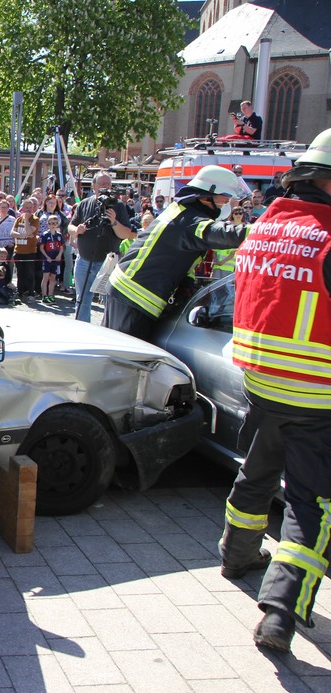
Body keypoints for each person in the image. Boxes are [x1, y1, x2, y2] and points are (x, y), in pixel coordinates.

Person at [226, 128, 331, 653]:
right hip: (317, 394)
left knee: (257, 473)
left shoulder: (268, 223)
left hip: (261, 380)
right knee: (312, 503)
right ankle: (280, 612)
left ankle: (236, 555)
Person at [106, 166, 250, 341]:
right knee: (128, 357)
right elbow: (224, 234)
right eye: (224, 198)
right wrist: (268, 230)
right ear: (206, 195)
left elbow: (182, 255)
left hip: (134, 290)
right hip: (135, 293)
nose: (227, 203)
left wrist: (187, 282)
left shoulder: (185, 213)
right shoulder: (189, 220)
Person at [68, 173, 135, 322]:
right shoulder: (84, 204)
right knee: (82, 300)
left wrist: (114, 222)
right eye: (102, 184)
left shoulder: (118, 206)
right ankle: (82, 330)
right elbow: (70, 227)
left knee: (109, 302)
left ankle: (107, 330)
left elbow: (126, 234)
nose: (105, 187)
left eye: (108, 184)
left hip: (107, 263)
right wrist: (77, 230)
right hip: (84, 260)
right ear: (94, 186)